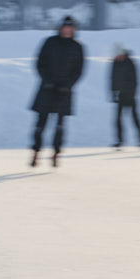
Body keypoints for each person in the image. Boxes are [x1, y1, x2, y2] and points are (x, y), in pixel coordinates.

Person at [29, 15, 85, 167]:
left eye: (70, 28)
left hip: (64, 91)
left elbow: (79, 70)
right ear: (60, 28)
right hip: (47, 89)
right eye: (65, 28)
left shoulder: (77, 47)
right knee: (40, 124)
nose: (67, 31)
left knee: (60, 126)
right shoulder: (50, 42)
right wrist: (47, 81)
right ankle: (35, 153)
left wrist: (68, 85)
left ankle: (55, 154)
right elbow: (40, 63)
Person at [109, 43, 140, 149]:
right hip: (120, 95)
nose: (117, 57)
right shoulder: (115, 63)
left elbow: (136, 80)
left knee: (135, 118)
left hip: (130, 96)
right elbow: (112, 79)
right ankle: (120, 141)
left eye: (118, 55)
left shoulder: (130, 63)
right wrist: (113, 93)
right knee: (117, 119)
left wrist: (132, 94)